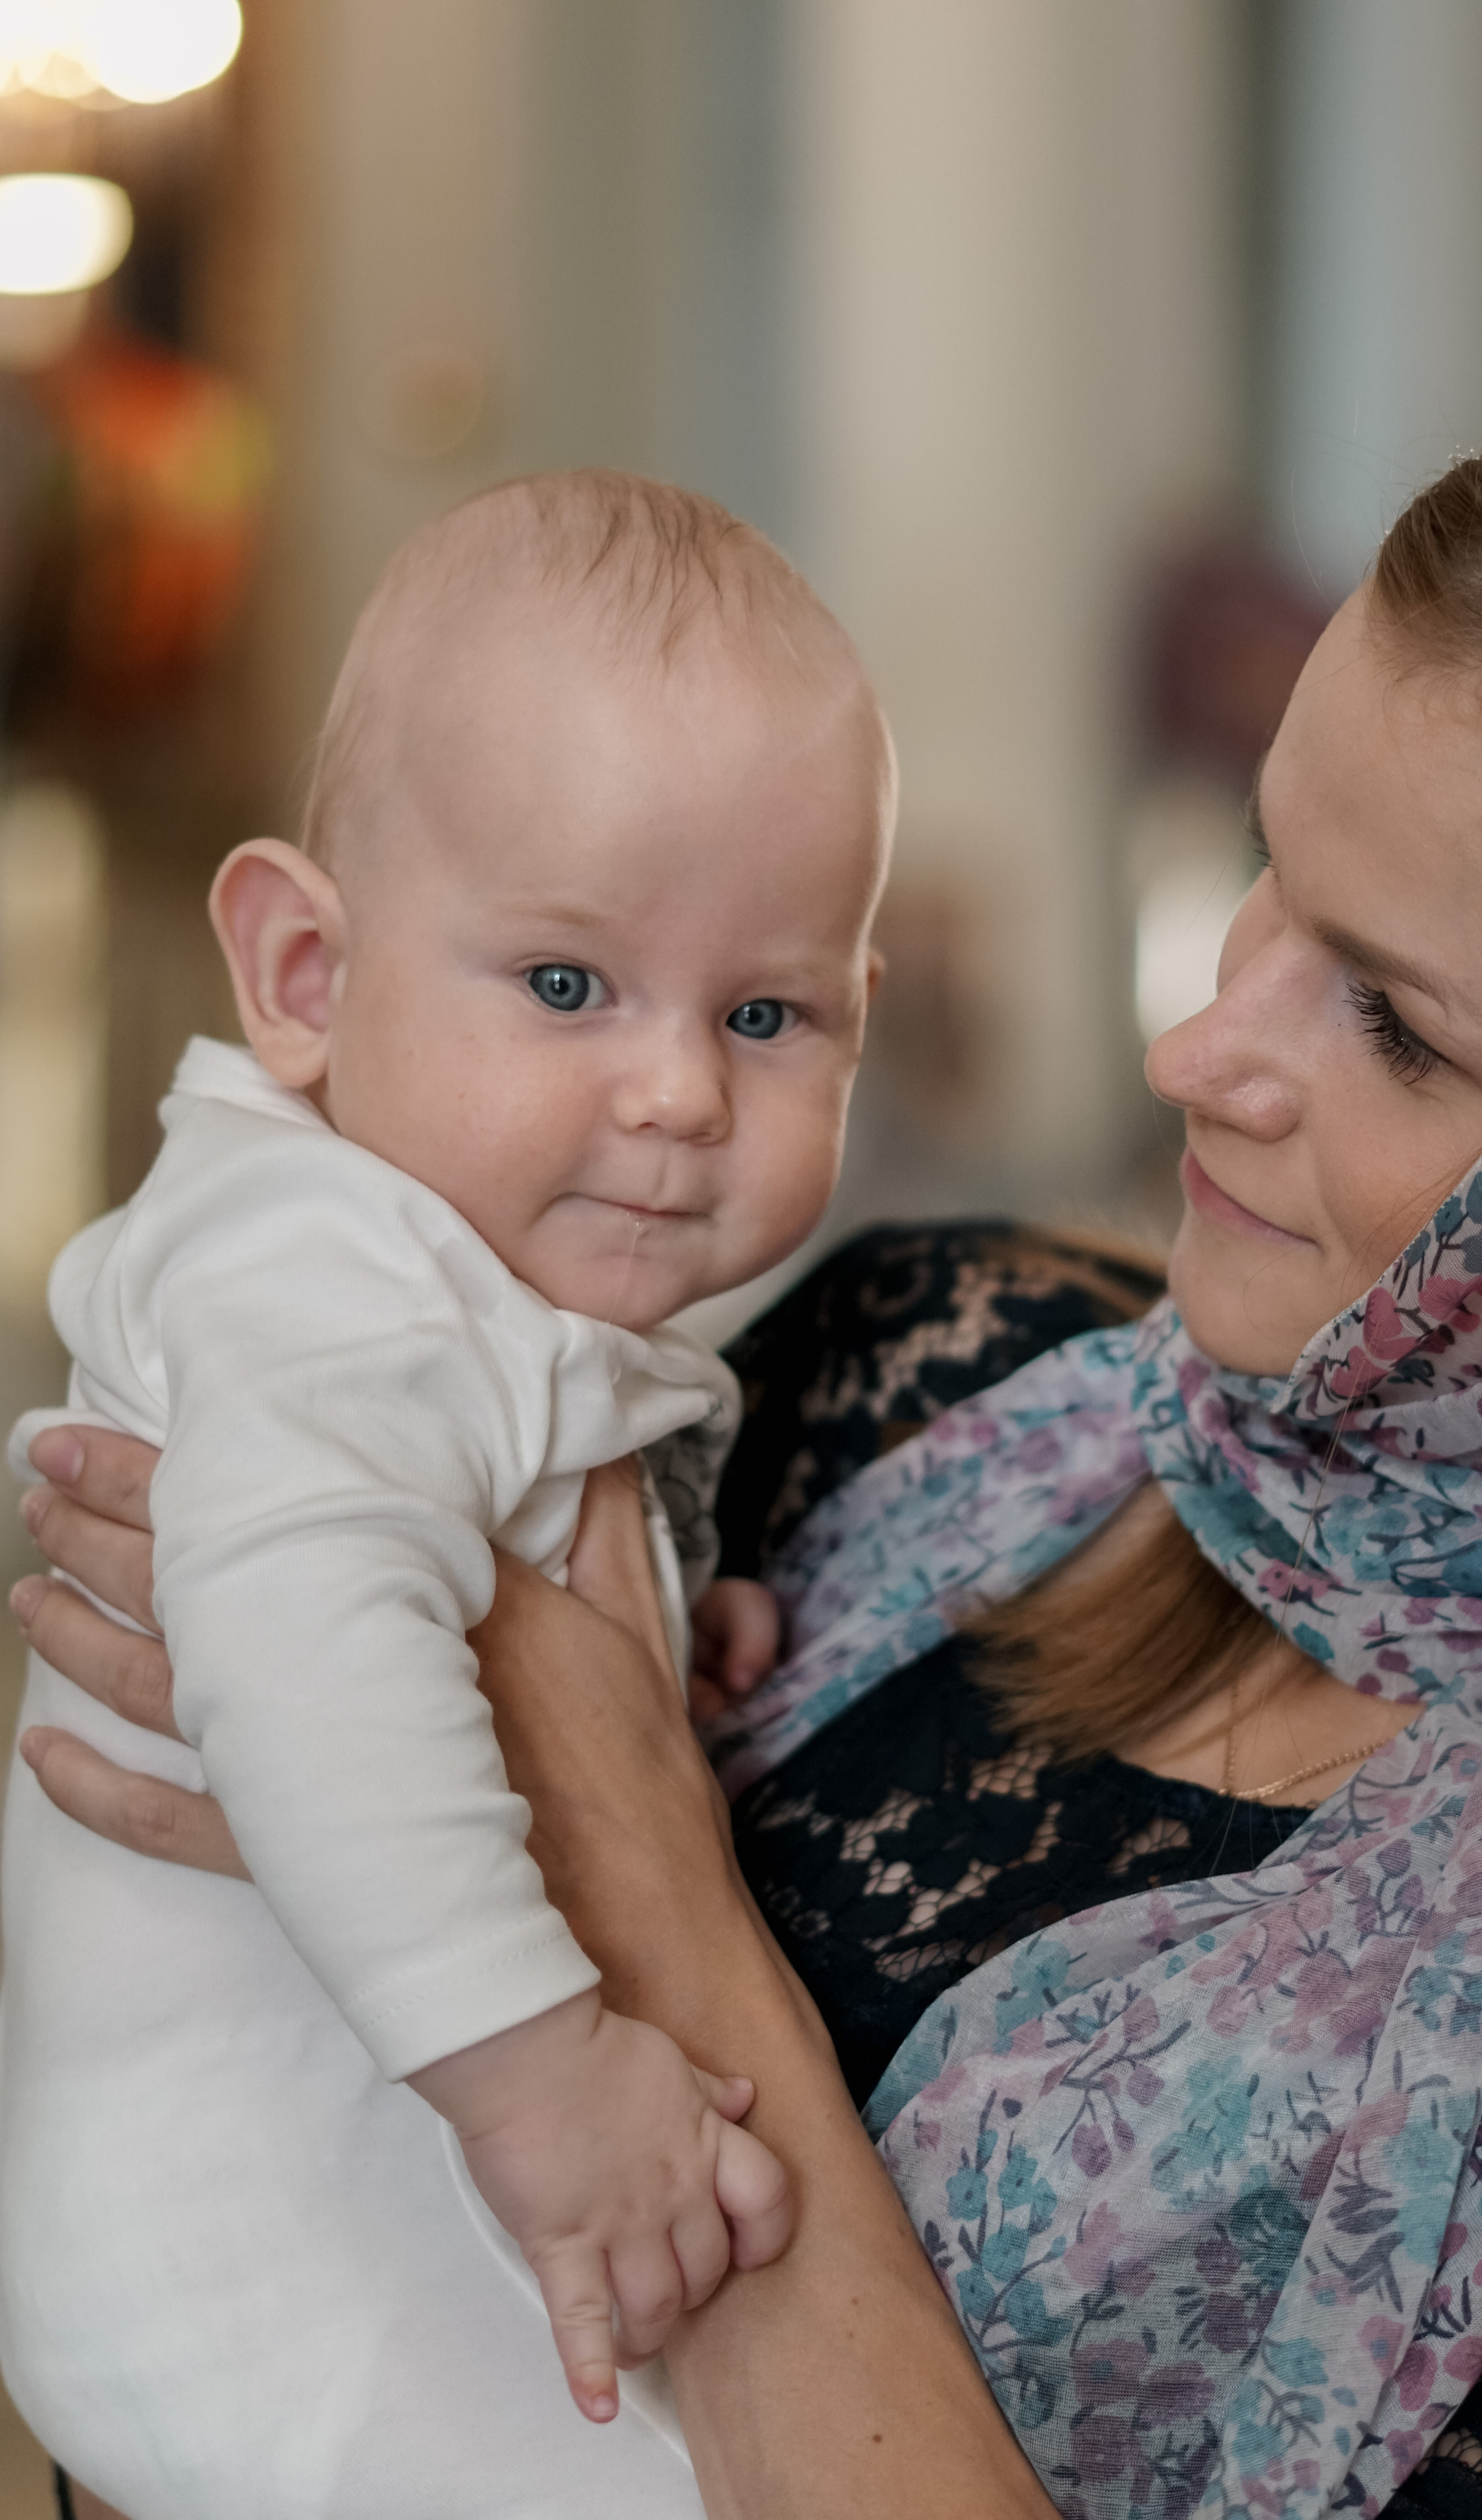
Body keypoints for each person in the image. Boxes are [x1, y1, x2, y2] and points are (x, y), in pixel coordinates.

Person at [15, 370, 1482, 2520]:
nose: (1194, 1044)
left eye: (1397, 1020)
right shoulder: (931, 1368)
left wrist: (636, 1852)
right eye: (1265, 877)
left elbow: (533, 1745)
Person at [0, 471, 896, 2519]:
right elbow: (308, 1645)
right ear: (307, 977)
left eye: (766, 1015)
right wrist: (549, 2083)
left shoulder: (445, 1261)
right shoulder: (317, 1269)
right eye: (569, 988)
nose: (679, 1094)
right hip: (263, 2272)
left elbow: (484, 1558)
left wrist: (667, 1608)